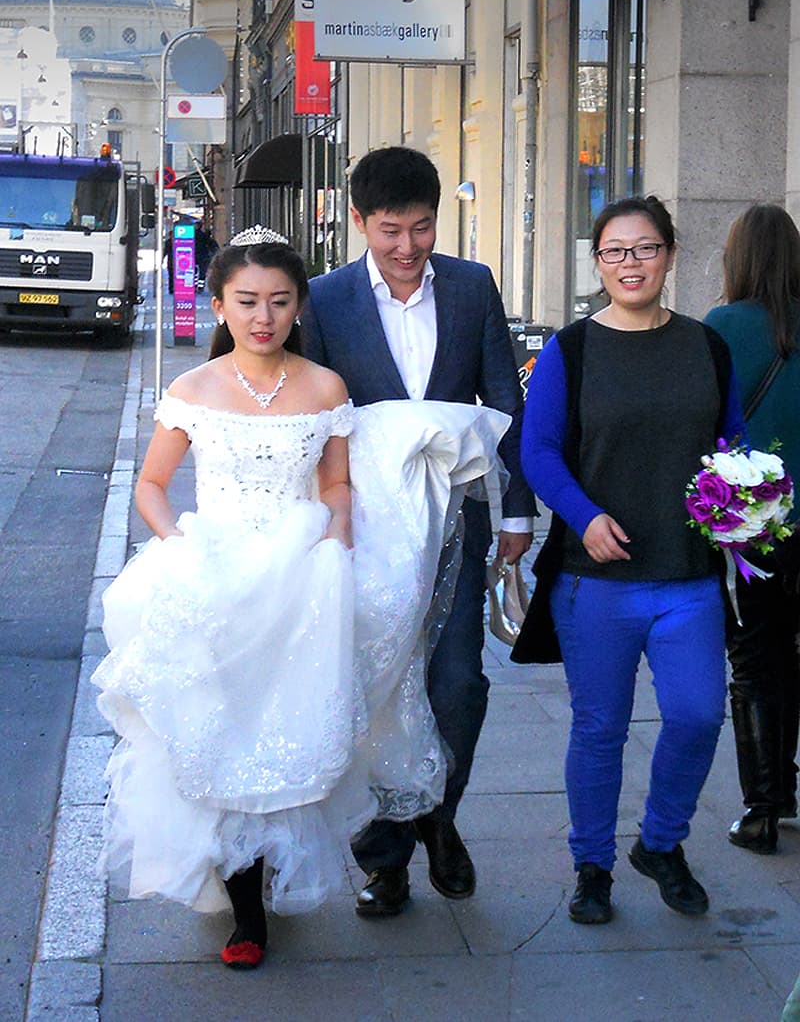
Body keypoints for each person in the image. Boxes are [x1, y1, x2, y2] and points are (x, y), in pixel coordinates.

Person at [92, 228, 510, 969]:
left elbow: (336, 482)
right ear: (218, 303)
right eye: (247, 301)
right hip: (214, 574)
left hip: (300, 576)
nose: (263, 316)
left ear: (298, 307)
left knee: (286, 732)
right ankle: (245, 913)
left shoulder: (324, 387)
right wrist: (176, 545)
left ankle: (294, 868)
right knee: (217, 731)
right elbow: (152, 486)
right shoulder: (192, 390)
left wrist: (338, 539)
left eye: (279, 301)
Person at [301, 145, 535, 917]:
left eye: (423, 229)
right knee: (375, 686)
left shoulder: (471, 287)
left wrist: (518, 511)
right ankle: (385, 856)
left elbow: (505, 399)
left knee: (460, 682)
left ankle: (441, 815)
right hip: (364, 525)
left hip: (457, 523)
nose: (408, 248)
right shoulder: (327, 299)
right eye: (391, 230)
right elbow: (317, 420)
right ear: (361, 221)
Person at [513, 195, 744, 925]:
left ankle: (662, 842)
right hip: (597, 580)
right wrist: (584, 517)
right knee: (600, 728)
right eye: (615, 251)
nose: (631, 263)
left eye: (645, 248)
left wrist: (747, 498)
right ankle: (592, 866)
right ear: (598, 262)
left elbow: (730, 442)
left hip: (688, 577)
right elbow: (539, 450)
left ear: (670, 255)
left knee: (700, 712)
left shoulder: (706, 346)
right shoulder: (572, 350)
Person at [704, 202, 800, 854]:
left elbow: (701, 425)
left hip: (751, 520)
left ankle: (763, 808)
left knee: (754, 658)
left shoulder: (721, 326)